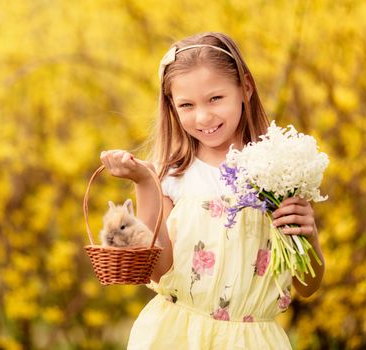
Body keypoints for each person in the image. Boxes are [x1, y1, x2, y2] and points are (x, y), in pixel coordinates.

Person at [100, 32, 325, 349]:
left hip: (252, 340)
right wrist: (144, 182)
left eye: (215, 98)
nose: (203, 116)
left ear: (245, 87)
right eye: (187, 105)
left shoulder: (277, 170)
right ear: (171, 106)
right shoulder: (172, 175)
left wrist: (308, 233)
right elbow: (158, 271)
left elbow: (308, 284)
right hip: (178, 336)